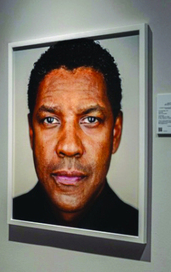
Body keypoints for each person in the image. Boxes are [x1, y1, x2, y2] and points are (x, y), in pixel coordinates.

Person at [13, 38, 138, 235]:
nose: (69, 147)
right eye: (50, 120)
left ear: (115, 132)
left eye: (91, 120)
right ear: (31, 132)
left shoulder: (139, 230)